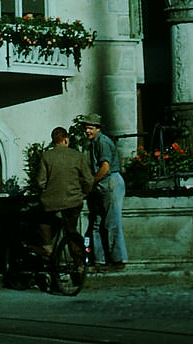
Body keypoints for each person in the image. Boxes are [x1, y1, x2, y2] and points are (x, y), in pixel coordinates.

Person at [36, 125, 93, 265]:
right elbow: (89, 180)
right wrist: (83, 192)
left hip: (51, 201)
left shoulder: (46, 156)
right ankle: (79, 266)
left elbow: (40, 182)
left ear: (53, 141)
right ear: (66, 140)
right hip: (73, 200)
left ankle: (47, 247)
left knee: (43, 220)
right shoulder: (78, 156)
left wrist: (47, 189)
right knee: (71, 231)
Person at [81, 113, 128, 271]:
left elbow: (105, 167)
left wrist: (91, 182)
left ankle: (118, 260)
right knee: (97, 222)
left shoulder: (102, 142)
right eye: (86, 128)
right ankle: (99, 259)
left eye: (90, 128)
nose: (87, 131)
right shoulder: (95, 142)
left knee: (111, 222)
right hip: (104, 184)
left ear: (98, 128)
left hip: (110, 182)